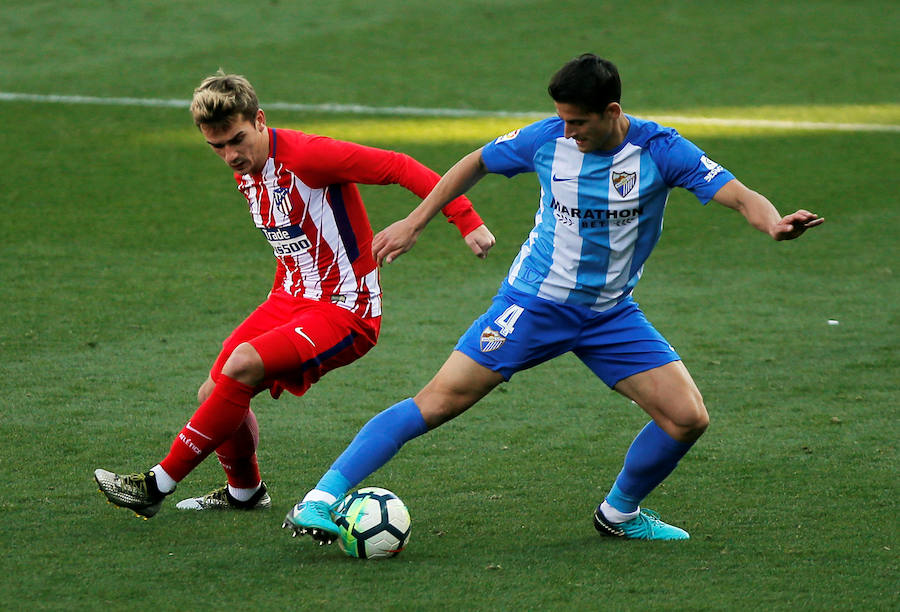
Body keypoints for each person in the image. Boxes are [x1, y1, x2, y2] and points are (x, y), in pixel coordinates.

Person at [284, 54, 824, 542]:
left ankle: (619, 514)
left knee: (687, 418)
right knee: (438, 402)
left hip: (610, 314)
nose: (568, 131)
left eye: (579, 122)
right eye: (563, 119)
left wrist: (773, 223)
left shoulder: (661, 150)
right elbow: (475, 161)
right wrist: (416, 220)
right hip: (532, 305)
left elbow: (737, 194)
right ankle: (321, 498)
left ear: (612, 111)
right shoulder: (547, 140)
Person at [93, 72, 496, 518]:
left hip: (346, 308)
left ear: (260, 120)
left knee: (242, 364)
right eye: (217, 147)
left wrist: (465, 218)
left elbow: (399, 166)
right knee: (216, 388)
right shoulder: (247, 166)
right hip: (288, 298)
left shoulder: (309, 155)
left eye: (237, 140)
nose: (230, 155)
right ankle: (245, 493)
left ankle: (155, 484)